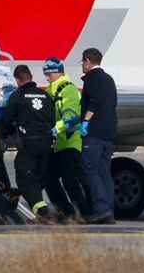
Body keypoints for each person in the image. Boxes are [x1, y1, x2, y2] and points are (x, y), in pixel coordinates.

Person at [1, 64, 57, 221]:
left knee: (23, 179)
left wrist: (5, 133)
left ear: (18, 80)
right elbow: (52, 119)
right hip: (47, 142)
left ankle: (42, 209)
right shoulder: (45, 95)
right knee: (38, 177)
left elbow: (7, 121)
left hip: (29, 143)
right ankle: (41, 213)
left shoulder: (17, 96)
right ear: (31, 77)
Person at [41, 57, 90, 221]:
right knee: (49, 179)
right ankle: (67, 213)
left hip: (70, 142)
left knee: (70, 179)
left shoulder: (68, 89)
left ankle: (82, 212)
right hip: (56, 145)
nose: (47, 78)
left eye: (49, 74)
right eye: (45, 74)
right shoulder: (50, 91)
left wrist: (56, 128)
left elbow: (72, 116)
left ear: (59, 72)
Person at [78, 48, 118, 225]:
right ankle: (109, 210)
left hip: (95, 132)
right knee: (104, 172)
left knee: (89, 169)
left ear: (87, 61)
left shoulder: (92, 79)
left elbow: (94, 101)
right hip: (109, 132)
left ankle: (101, 208)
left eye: (83, 62)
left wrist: (85, 121)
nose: (82, 66)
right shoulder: (109, 79)